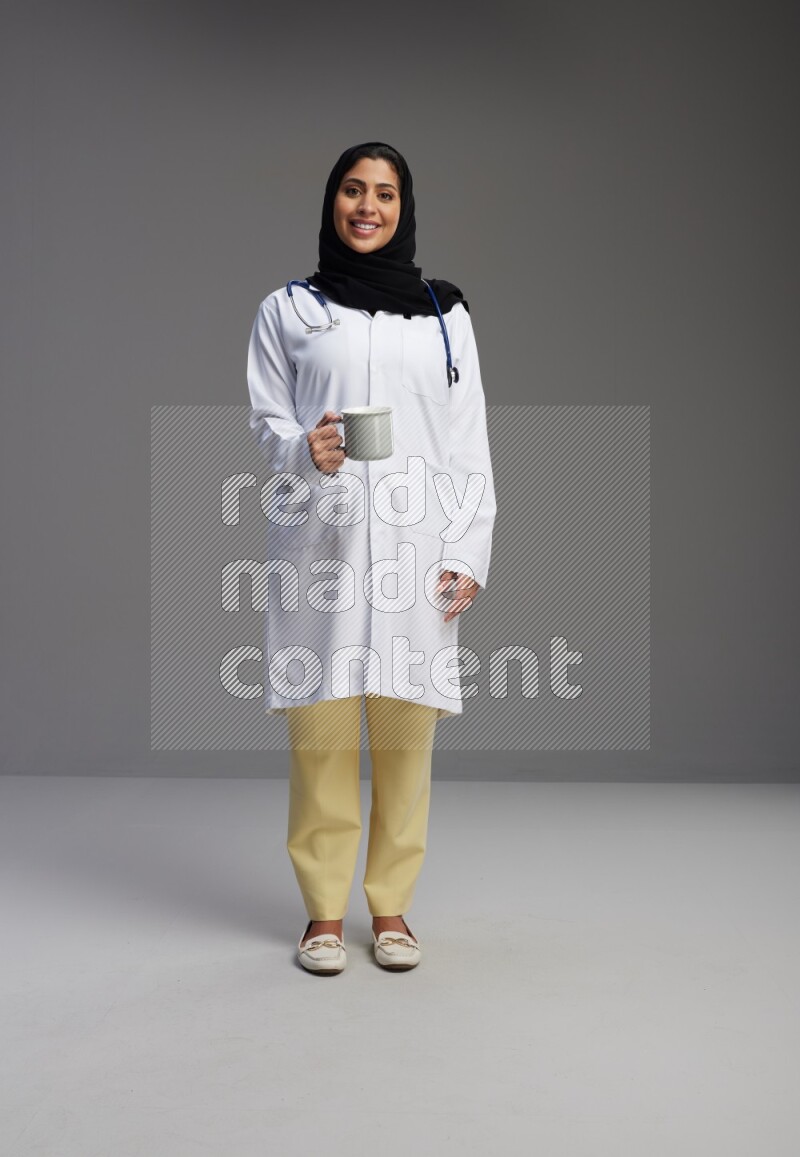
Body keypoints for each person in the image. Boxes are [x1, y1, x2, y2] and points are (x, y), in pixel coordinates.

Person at [246, 141, 496, 974]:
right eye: (353, 190)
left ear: (404, 207)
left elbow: (469, 445)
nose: (368, 206)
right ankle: (323, 912)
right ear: (331, 202)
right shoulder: (289, 309)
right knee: (319, 735)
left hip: (416, 548)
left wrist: (467, 550)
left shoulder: (443, 315)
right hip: (322, 544)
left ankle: (389, 906)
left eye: (384, 194)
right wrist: (301, 453)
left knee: (403, 739)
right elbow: (266, 420)